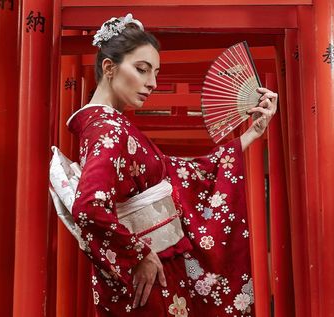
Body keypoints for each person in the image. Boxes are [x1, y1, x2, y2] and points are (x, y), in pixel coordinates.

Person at [66, 13, 277, 317]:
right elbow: (89, 208)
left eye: (155, 72)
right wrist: (139, 254)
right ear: (109, 68)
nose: (152, 83)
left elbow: (175, 171)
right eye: (141, 70)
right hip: (148, 272)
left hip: (151, 268)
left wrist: (251, 134)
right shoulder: (107, 128)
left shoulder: (112, 126)